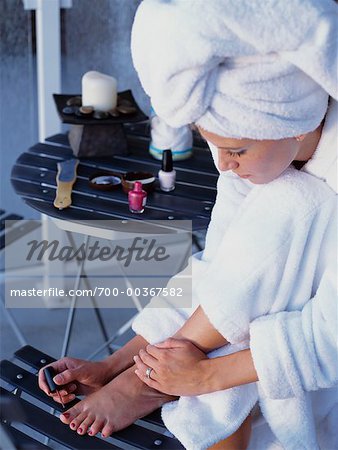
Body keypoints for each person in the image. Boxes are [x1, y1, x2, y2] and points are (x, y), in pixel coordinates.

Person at [38, 1, 338, 448]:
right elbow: (220, 269)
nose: (226, 166)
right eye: (213, 146)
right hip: (256, 353)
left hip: (313, 372)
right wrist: (118, 363)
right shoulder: (252, 160)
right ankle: (144, 378)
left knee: (293, 201)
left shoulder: (297, 187)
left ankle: (148, 384)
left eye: (236, 150)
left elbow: (331, 337)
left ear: (295, 125)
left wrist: (202, 377)